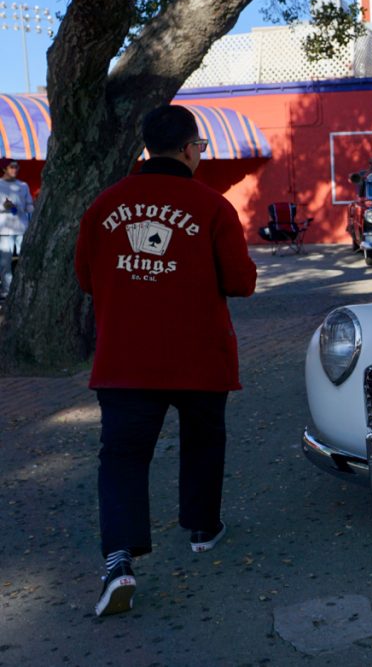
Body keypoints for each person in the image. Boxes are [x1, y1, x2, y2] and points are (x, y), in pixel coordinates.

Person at [74, 105, 257, 617]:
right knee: (203, 438)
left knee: (123, 456)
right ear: (188, 148)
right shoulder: (213, 206)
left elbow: (85, 278)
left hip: (126, 356)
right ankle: (202, 527)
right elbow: (240, 282)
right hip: (199, 353)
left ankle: (119, 561)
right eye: (200, 146)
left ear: (148, 148)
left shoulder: (103, 206)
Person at [0, 158, 34, 301]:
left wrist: (30, 212)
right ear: (4, 169)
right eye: (12, 167)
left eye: (17, 167)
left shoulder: (23, 185)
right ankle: (7, 292)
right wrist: (6, 207)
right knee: (5, 263)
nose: (15, 169)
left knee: (25, 261)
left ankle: (23, 293)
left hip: (22, 230)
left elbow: (29, 206)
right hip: (4, 231)